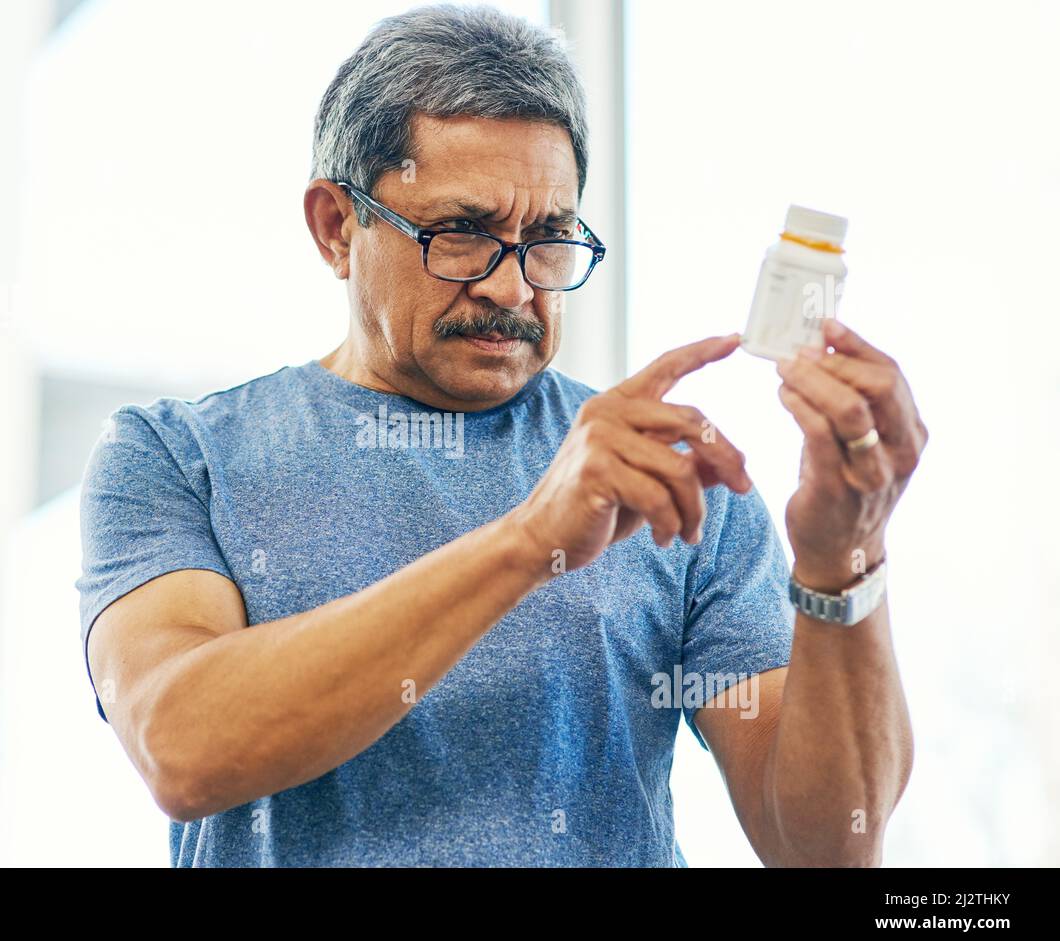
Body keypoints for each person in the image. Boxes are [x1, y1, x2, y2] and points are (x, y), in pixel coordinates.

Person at [75, 4, 927, 867]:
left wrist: (843, 558)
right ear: (337, 226)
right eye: (464, 235)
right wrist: (528, 540)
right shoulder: (175, 457)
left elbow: (827, 847)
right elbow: (181, 744)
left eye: (550, 240)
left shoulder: (670, 475)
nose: (516, 289)